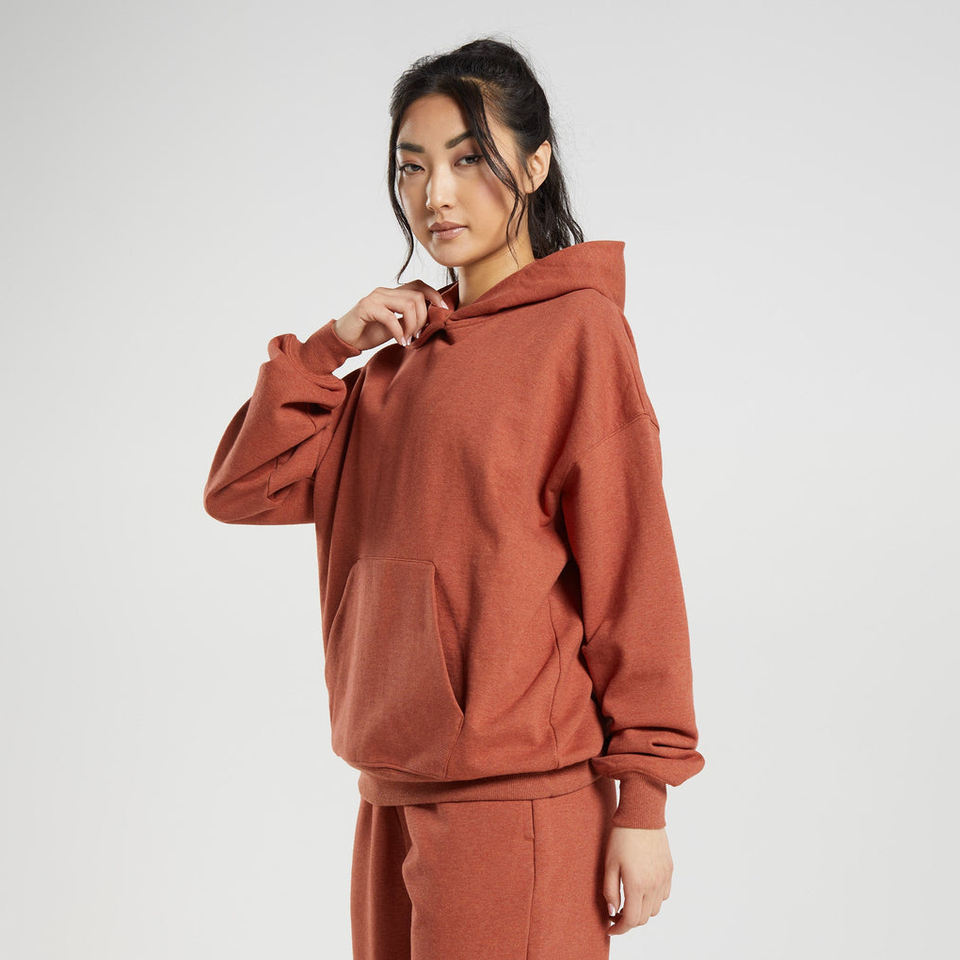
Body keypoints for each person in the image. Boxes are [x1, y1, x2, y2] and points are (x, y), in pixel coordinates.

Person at [203, 36, 705, 960]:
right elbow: (240, 489)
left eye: (469, 159)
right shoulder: (390, 364)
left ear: (535, 164)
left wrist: (645, 801)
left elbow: (634, 576)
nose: (436, 193)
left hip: (518, 802)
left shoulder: (578, 335)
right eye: (413, 166)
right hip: (389, 788)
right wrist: (329, 348)